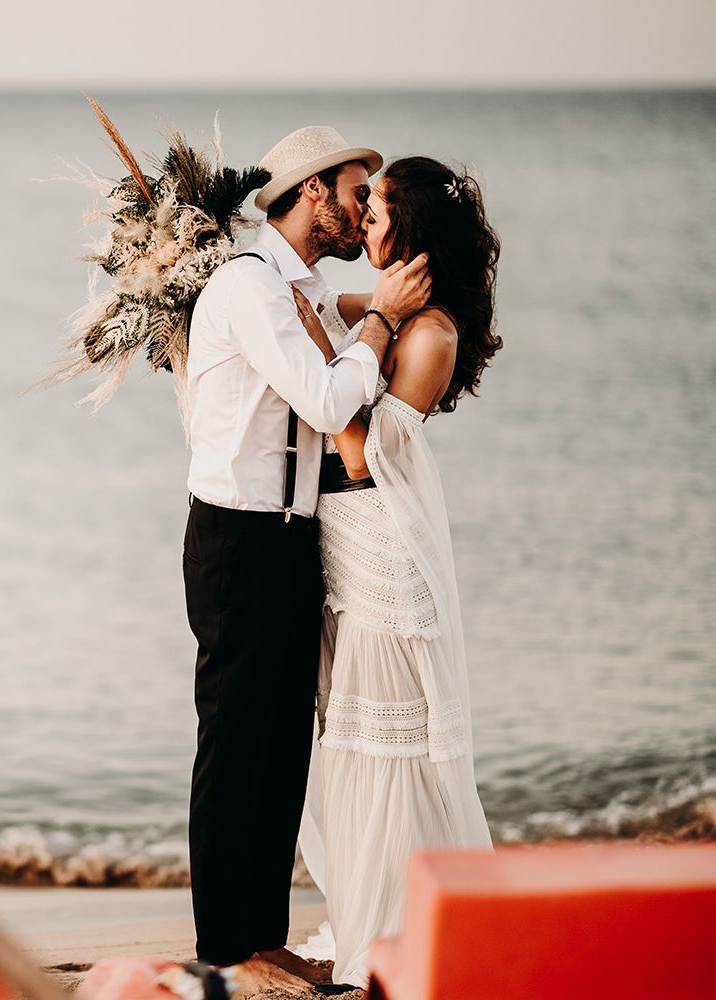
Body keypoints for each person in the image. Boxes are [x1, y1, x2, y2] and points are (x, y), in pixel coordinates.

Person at [182, 127, 431, 997]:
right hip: (238, 540)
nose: (363, 208)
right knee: (235, 738)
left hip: (294, 536)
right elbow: (328, 397)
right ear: (313, 192)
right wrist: (388, 319)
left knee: (287, 741)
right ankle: (224, 947)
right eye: (356, 191)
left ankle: (265, 935)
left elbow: (344, 331)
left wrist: (392, 306)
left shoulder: (306, 288)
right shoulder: (251, 286)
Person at [293, 155, 502, 989]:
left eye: (376, 211)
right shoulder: (393, 312)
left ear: (410, 228)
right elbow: (331, 304)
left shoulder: (432, 336)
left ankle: (395, 933)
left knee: (383, 749)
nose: (364, 221)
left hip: (382, 553)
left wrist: (314, 345)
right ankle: (368, 920)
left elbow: (356, 454)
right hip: (349, 552)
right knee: (348, 741)